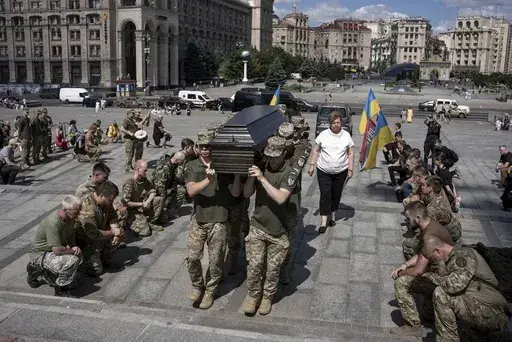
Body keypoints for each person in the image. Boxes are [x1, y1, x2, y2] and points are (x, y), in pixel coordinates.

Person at [184, 131, 241, 309]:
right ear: (197, 148)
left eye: (209, 146)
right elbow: (191, 191)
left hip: (219, 220)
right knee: (193, 257)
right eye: (203, 147)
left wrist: (238, 174)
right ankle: (197, 285)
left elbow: (236, 193)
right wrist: (208, 180)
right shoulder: (192, 166)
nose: (206, 150)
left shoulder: (223, 166)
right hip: (199, 219)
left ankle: (210, 290)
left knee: (216, 260)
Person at [242, 136, 297, 315]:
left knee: (273, 270)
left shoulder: (290, 173)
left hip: (279, 230)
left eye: (275, 156)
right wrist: (252, 178)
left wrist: (263, 179)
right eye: (269, 155)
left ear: (283, 154)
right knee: (255, 265)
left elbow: (281, 198)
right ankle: (253, 296)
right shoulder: (262, 167)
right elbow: (246, 193)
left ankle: (267, 297)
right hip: (258, 225)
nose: (271, 159)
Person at [421, 235, 510, 341]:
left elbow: (453, 286)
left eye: (431, 258)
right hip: (481, 307)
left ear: (437, 251)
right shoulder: (451, 257)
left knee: (441, 294)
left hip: (495, 314)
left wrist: (431, 276)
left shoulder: (464, 256)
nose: (432, 261)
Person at [390, 202, 455, 337]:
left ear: (418, 218)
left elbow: (417, 272)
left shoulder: (428, 236)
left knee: (401, 283)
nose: (406, 221)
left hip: (446, 280)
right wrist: (406, 264)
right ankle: (431, 310)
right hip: (445, 274)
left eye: (408, 219)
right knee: (427, 314)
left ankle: (412, 326)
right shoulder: (431, 226)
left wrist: (400, 273)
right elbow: (423, 254)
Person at [26, 195, 83, 297]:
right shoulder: (53, 223)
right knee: (72, 261)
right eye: (76, 212)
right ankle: (60, 288)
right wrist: (72, 251)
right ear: (65, 210)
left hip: (53, 250)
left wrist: (74, 246)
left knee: (79, 256)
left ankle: (51, 273)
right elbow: (57, 250)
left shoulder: (70, 217)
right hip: (40, 253)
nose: (78, 214)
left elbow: (70, 234)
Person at [308, 111, 354, 234]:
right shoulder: (323, 135)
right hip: (324, 171)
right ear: (330, 123)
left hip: (341, 171)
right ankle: (323, 221)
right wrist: (312, 165)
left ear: (341, 123)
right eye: (333, 123)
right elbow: (316, 150)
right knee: (325, 194)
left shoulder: (346, 136)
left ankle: (332, 215)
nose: (336, 125)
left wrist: (350, 168)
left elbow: (350, 153)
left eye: (338, 122)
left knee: (336, 194)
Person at [74, 181, 124, 276]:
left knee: (120, 232)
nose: (112, 202)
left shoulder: (106, 202)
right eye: (110, 200)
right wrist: (113, 233)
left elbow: (112, 216)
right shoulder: (87, 206)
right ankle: (81, 263)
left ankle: (104, 258)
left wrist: (116, 230)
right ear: (101, 195)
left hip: (98, 234)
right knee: (96, 271)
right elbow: (93, 234)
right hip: (84, 241)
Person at [122, 159, 163, 237]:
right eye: (145, 170)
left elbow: (153, 191)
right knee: (146, 232)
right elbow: (126, 203)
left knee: (158, 199)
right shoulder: (129, 183)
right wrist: (142, 204)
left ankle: (151, 222)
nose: (147, 172)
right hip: (131, 211)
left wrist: (148, 201)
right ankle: (129, 223)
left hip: (141, 206)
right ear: (137, 169)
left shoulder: (143, 179)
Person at [421, 175, 462, 243]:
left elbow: (429, 229)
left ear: (430, 188)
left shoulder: (432, 208)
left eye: (423, 185)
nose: (421, 187)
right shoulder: (438, 197)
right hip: (455, 228)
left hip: (451, 235)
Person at [151, 151, 187, 221]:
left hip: (166, 189)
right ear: (177, 160)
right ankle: (155, 217)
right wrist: (162, 207)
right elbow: (161, 189)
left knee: (181, 191)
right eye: (181, 162)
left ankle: (169, 210)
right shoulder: (165, 169)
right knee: (163, 220)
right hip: (158, 194)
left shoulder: (172, 165)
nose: (181, 164)